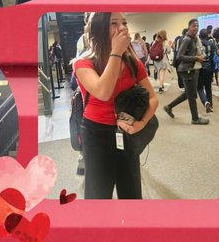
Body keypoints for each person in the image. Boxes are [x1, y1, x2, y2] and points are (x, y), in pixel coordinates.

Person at [73, 12, 158, 199]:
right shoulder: (83, 63)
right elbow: (103, 92)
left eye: (124, 22)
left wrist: (141, 124)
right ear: (99, 29)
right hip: (96, 133)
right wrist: (116, 52)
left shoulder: (133, 63)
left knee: (131, 193)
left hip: (127, 130)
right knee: (98, 194)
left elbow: (153, 99)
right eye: (114, 23)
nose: (122, 27)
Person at [163, 19, 211, 124]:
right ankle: (195, 118)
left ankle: (168, 107)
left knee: (187, 93)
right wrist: (196, 58)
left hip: (192, 69)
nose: (196, 28)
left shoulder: (195, 38)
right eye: (194, 26)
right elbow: (180, 56)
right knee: (192, 95)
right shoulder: (187, 39)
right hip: (186, 70)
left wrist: (199, 57)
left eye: (197, 26)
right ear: (188, 28)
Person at [149, 29, 171, 94]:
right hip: (163, 60)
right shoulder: (166, 42)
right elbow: (169, 52)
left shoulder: (154, 42)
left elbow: (151, 51)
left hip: (156, 60)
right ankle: (160, 87)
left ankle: (161, 84)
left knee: (159, 73)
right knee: (162, 74)